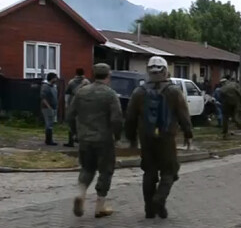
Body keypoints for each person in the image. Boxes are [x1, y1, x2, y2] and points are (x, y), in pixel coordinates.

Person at [125, 56, 193, 219]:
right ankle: (159, 199)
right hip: (166, 137)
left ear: (148, 70)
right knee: (170, 171)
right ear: (165, 71)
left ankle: (149, 209)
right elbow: (183, 115)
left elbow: (130, 117)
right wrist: (188, 134)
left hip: (146, 137)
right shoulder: (174, 91)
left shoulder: (139, 92)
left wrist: (131, 138)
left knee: (149, 172)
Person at [66, 63, 123, 218]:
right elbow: (117, 118)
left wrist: (75, 133)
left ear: (93, 74)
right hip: (104, 140)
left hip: (85, 138)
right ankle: (100, 206)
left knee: (87, 168)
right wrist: (117, 136)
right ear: (108, 76)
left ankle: (80, 194)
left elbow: (70, 115)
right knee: (106, 170)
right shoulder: (110, 94)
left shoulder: (81, 92)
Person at [64, 68, 90, 147]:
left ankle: (71, 141)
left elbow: (67, 92)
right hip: (83, 104)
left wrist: (66, 104)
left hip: (73, 103)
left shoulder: (71, 82)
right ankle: (81, 139)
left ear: (76, 73)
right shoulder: (87, 82)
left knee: (71, 122)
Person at [41, 72, 59, 146]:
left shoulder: (54, 87)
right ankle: (48, 140)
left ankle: (49, 139)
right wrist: (48, 107)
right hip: (47, 108)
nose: (56, 79)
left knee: (51, 123)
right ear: (52, 78)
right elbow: (43, 98)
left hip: (53, 107)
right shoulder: (46, 86)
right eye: (55, 77)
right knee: (49, 123)